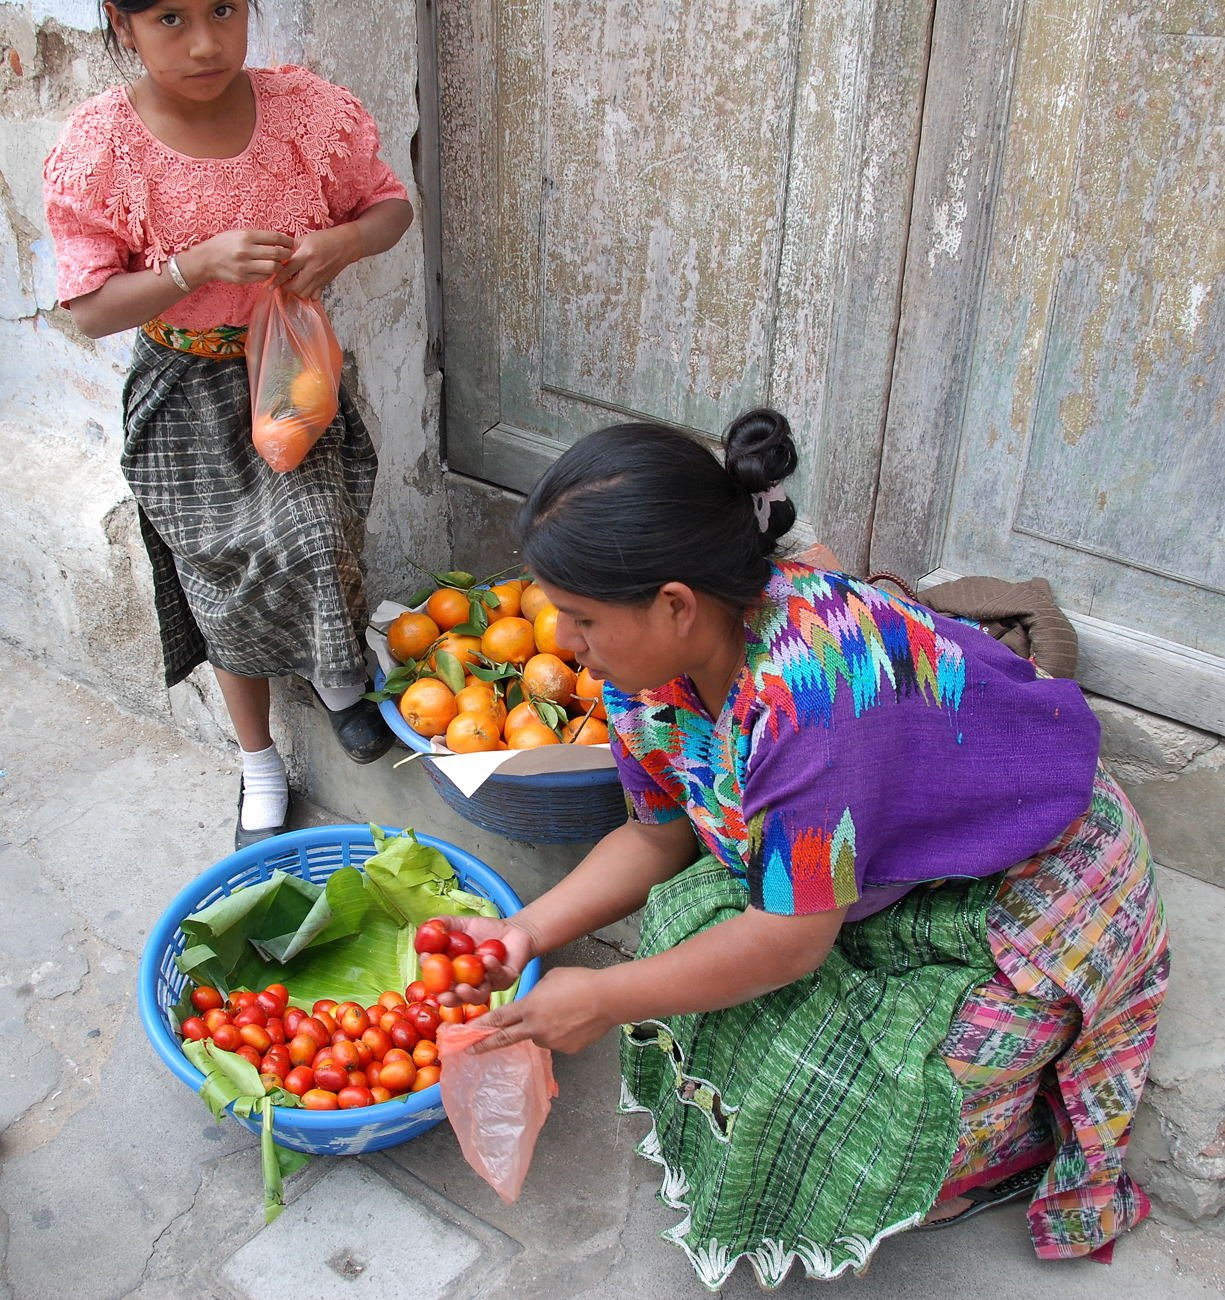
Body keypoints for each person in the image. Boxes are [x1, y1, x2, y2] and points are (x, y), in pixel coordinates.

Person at [443, 409, 1171, 1289]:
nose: (561, 643)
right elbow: (656, 834)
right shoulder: (650, 678)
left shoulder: (809, 698)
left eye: (578, 618)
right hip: (886, 858)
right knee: (683, 929)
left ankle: (999, 1154)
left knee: (892, 1087)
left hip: (1040, 872)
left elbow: (788, 943)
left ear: (674, 604)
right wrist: (524, 932)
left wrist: (600, 998)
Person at [42, 0, 414, 849]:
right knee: (218, 577)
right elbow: (91, 309)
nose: (207, 41)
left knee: (322, 536)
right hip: (182, 389)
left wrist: (346, 242)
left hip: (293, 373)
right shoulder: (102, 148)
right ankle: (258, 760)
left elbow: (388, 206)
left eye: (224, 9)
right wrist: (191, 265)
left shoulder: (306, 113)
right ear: (121, 24)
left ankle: (339, 680)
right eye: (170, 18)